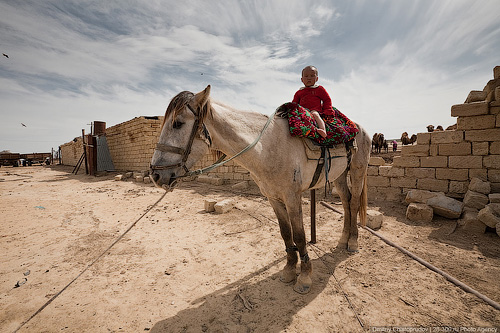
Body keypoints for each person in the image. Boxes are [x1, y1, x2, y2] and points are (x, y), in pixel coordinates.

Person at [292, 65, 329, 138]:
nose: (309, 78)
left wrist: (327, 110)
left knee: (315, 114)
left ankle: (322, 130)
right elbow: (294, 103)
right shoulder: (299, 92)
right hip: (303, 111)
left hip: (314, 111)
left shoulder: (319, 89)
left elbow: (326, 99)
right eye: (306, 76)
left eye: (312, 76)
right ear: (302, 79)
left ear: (317, 78)